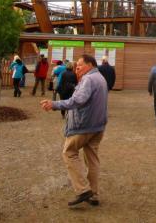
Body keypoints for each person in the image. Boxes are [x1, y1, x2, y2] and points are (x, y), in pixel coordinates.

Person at [40, 54, 108, 207]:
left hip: (84, 125)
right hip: (98, 126)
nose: (77, 68)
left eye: (80, 65)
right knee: (92, 159)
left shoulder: (88, 79)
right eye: (76, 66)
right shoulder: (100, 78)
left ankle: (83, 190)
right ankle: (94, 194)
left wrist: (55, 104)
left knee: (69, 152)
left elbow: (78, 100)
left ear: (90, 65)